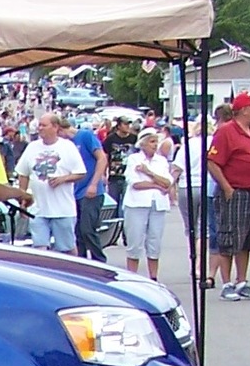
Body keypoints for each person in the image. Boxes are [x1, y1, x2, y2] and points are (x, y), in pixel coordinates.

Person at [207, 93, 250, 298]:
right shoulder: (227, 131)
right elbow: (213, 162)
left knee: (247, 240)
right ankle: (226, 283)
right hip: (236, 191)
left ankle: (242, 281)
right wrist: (227, 188)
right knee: (229, 237)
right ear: (244, 109)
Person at [17, 112, 87, 253]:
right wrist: (22, 197)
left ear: (55, 127)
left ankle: (72, 271)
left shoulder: (67, 147)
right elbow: (23, 173)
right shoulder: (32, 147)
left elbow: (81, 172)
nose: (40, 128)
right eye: (39, 125)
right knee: (40, 249)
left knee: (67, 248)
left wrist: (63, 179)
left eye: (44, 125)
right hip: (38, 209)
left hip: (62, 209)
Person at [120, 129, 177, 278]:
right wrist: (157, 185)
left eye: (156, 142)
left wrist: (149, 173)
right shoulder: (134, 159)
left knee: (155, 240)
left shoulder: (161, 161)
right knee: (135, 240)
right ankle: (132, 276)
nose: (155, 145)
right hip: (136, 204)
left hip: (157, 204)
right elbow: (135, 184)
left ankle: (153, 277)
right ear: (143, 144)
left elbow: (167, 182)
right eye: (152, 142)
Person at [71, 113, 109, 259]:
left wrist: (94, 183)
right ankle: (81, 263)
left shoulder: (85, 136)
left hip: (90, 191)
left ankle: (99, 260)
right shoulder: (64, 145)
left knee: (87, 229)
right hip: (74, 191)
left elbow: (102, 158)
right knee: (77, 232)